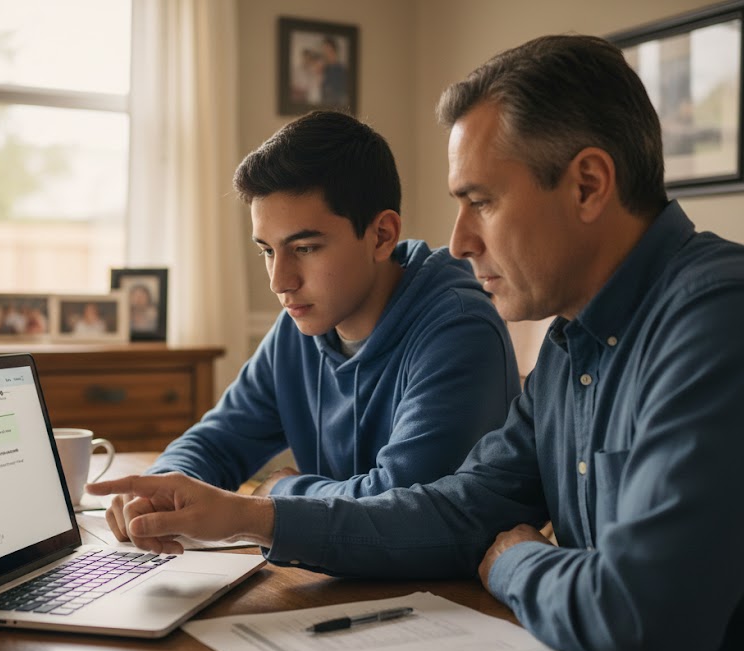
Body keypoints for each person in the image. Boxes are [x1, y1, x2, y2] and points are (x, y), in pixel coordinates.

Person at [89, 35, 744, 651]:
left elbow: (641, 620)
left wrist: (513, 561)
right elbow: (458, 509)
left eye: (482, 201)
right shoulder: (574, 345)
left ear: (589, 185)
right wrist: (255, 518)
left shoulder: (726, 319)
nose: (461, 239)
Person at [142, 110, 519, 500]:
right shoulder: (300, 325)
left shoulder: (459, 330)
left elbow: (400, 505)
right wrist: (159, 489)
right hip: (325, 562)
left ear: (381, 236)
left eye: (304, 248)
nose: (279, 282)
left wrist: (279, 490)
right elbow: (217, 440)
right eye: (268, 251)